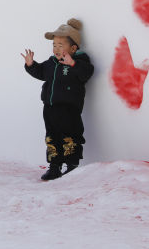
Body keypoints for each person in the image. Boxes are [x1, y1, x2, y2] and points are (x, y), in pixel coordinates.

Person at [21, 18, 94, 181]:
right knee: (52, 137)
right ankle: (54, 166)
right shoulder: (51, 63)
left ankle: (72, 165)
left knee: (70, 136)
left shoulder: (80, 62)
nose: (56, 49)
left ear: (73, 48)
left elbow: (87, 73)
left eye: (61, 45)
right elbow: (41, 72)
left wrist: (73, 64)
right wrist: (31, 65)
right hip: (49, 107)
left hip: (69, 108)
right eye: (54, 45)